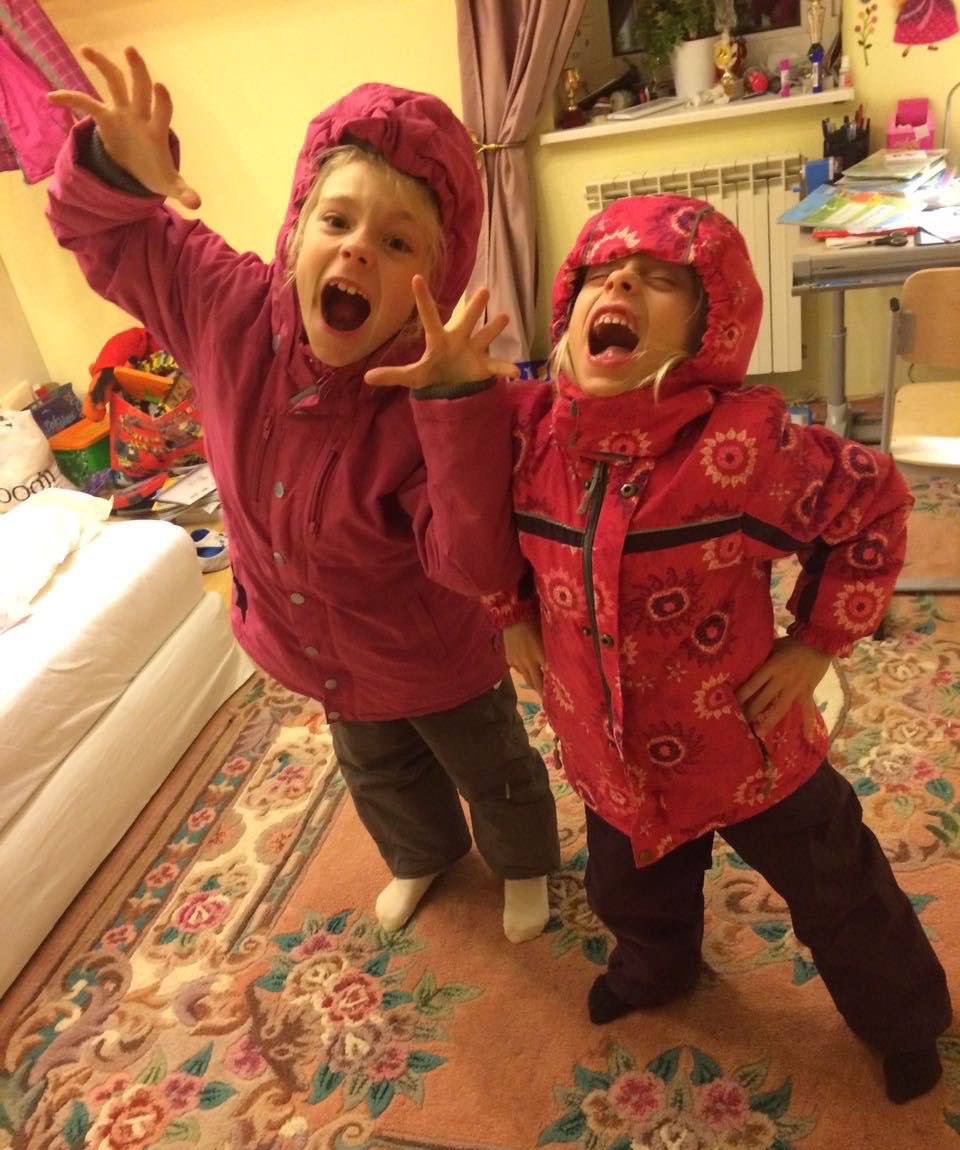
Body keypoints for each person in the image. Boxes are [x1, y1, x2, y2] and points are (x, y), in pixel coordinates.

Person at [381, 193, 952, 1103]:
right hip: (609, 752)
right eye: (601, 276)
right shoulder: (526, 433)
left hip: (746, 745)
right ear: (569, 312)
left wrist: (817, 642)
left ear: (706, 325)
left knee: (838, 886)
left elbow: (873, 503)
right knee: (630, 893)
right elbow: (476, 538)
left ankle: (904, 1017)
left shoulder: (745, 447)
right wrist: (509, 604)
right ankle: (658, 971)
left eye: (657, 280)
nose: (620, 286)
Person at [46, 47, 561, 941]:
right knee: (378, 769)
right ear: (296, 233)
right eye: (338, 220)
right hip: (316, 643)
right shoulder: (228, 306)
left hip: (434, 652)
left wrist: (454, 410)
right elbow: (112, 239)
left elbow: (472, 560)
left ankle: (524, 863)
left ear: (434, 283)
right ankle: (423, 853)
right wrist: (113, 169)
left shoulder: (428, 397)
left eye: (396, 242)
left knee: (492, 765)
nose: (357, 247)